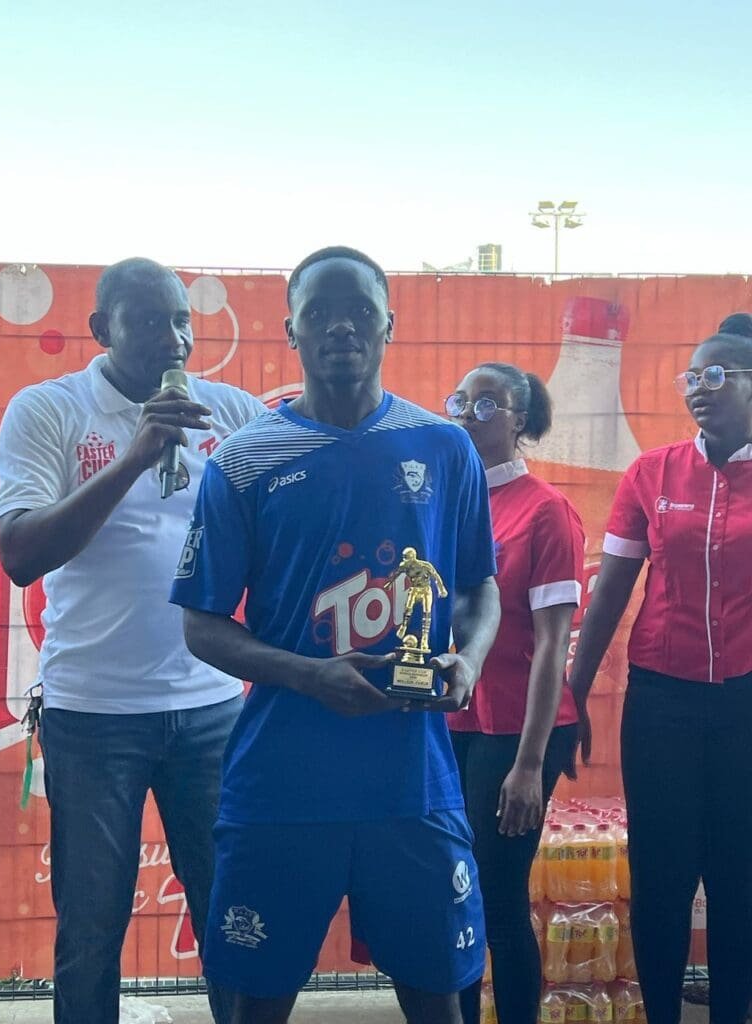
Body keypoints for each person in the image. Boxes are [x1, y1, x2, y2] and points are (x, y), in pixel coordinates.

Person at [170, 246, 501, 1024]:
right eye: (319, 312)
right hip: (283, 782)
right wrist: (309, 674)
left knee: (439, 999)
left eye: (359, 311)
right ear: (291, 331)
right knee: (257, 1005)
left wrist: (469, 660)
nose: (341, 327)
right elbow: (201, 626)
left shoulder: (443, 447)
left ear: (390, 324)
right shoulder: (244, 461)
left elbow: (478, 587)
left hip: (411, 781)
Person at [0, 258, 265, 1024]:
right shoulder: (49, 409)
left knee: (233, 916)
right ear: (101, 329)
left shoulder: (231, 412)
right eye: (149, 321)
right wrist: (135, 456)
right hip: (92, 717)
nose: (174, 339)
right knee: (91, 928)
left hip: (212, 710)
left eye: (181, 320)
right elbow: (20, 553)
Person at [569, 331, 752, 1024]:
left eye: (717, 375)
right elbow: (611, 590)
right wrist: (573, 691)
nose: (699, 389)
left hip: (745, 704)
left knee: (739, 877)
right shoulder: (652, 473)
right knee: (661, 877)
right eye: (691, 378)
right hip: (662, 701)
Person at [445, 363, 583, 1024]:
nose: (467, 415)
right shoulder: (446, 504)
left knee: (496, 895)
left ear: (518, 420)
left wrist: (529, 766)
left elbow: (554, 645)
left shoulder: (547, 511)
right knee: (451, 892)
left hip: (516, 729)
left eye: (486, 404)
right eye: (460, 402)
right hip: (450, 718)